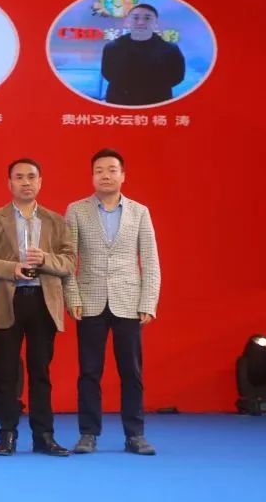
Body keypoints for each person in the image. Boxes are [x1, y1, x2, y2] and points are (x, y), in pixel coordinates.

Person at [0, 158, 75, 457]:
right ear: (10, 183)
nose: (26, 182)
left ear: (40, 182)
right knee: (5, 371)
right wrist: (11, 268)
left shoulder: (56, 221)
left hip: (43, 302)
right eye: (19, 177)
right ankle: (7, 434)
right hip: (8, 301)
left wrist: (45, 260)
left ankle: (44, 436)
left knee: (41, 371)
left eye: (31, 177)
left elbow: (69, 261)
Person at [65, 149, 161, 455]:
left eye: (111, 170)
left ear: (123, 175)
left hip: (129, 301)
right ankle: (88, 433)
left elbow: (150, 260)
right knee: (89, 372)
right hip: (89, 300)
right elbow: (68, 259)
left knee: (131, 372)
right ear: (92, 176)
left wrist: (148, 301)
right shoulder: (76, 210)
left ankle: (135, 434)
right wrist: (72, 296)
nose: (105, 175)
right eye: (99, 171)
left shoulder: (139, 212)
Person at [100, 3, 186, 106]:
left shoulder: (170, 49)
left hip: (157, 101)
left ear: (156, 23)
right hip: (119, 100)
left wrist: (152, 88)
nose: (141, 22)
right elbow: (107, 73)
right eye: (135, 18)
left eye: (147, 18)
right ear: (127, 22)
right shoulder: (112, 47)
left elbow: (177, 76)